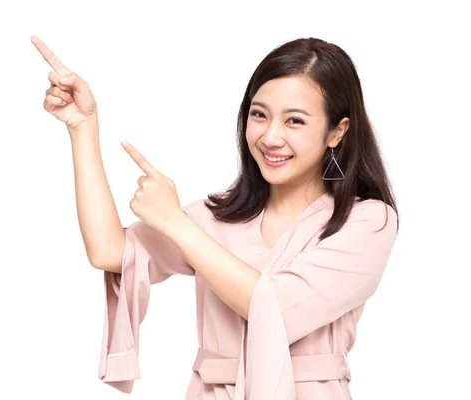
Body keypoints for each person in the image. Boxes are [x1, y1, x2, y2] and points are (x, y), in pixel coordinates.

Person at [31, 35, 399, 400]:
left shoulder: (367, 221)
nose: (270, 137)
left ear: (338, 131)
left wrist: (176, 223)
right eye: (259, 115)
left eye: (295, 121)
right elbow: (109, 251)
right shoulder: (219, 217)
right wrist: (83, 129)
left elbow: (277, 310)